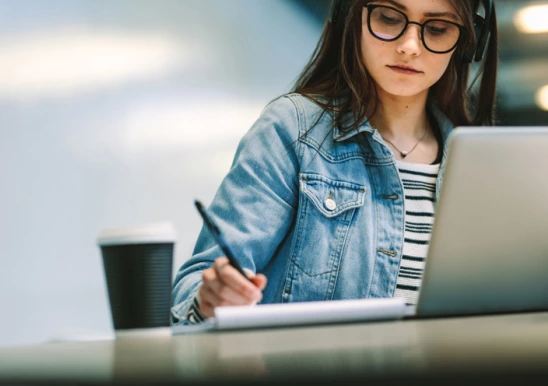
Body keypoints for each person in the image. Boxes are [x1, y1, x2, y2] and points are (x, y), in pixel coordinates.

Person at [171, 0, 498, 324]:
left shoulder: (478, 162)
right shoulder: (292, 131)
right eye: (388, 18)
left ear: (470, 43)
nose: (410, 46)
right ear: (350, 15)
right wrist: (212, 298)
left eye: (438, 29)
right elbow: (192, 291)